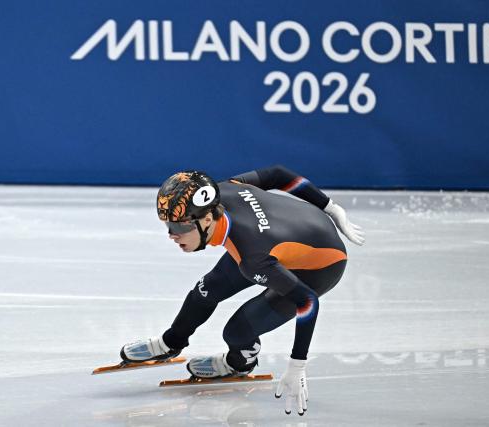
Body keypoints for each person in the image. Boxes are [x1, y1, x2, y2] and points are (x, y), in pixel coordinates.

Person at [120, 165, 364, 415]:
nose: (172, 235)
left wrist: (297, 364)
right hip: (288, 234)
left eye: (181, 227)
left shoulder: (253, 257)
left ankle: (239, 362)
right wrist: (330, 207)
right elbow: (277, 174)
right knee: (207, 288)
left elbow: (307, 301)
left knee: (237, 331)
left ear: (206, 220)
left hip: (320, 266)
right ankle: (171, 342)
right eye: (168, 226)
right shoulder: (223, 190)